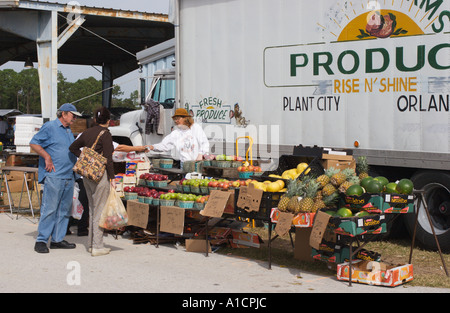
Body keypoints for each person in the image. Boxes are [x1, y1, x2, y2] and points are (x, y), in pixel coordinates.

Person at [30, 103, 82, 254]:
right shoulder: (50, 127)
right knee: (50, 208)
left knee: (64, 210)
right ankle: (41, 240)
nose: (75, 118)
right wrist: (47, 157)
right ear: (64, 114)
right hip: (55, 175)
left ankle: (57, 239)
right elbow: (34, 143)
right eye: (73, 115)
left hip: (68, 176)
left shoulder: (67, 130)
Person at [69, 107, 115, 257]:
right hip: (100, 176)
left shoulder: (87, 132)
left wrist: (85, 156)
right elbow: (108, 159)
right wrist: (112, 178)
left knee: (92, 209)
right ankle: (97, 246)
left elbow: (72, 147)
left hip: (87, 175)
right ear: (109, 120)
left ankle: (91, 244)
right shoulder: (106, 134)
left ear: (95, 119)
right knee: (100, 210)